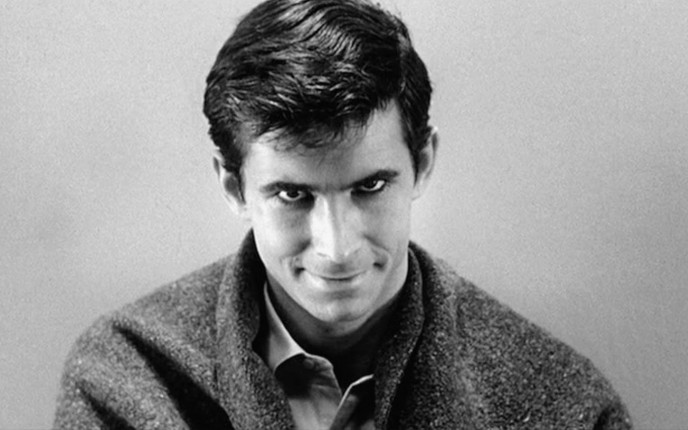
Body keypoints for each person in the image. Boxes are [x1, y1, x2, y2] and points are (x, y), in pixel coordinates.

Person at [54, 0, 632, 428]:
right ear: (233, 186)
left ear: (422, 163)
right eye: (292, 195)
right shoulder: (127, 379)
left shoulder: (563, 406)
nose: (337, 248)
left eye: (370, 186)